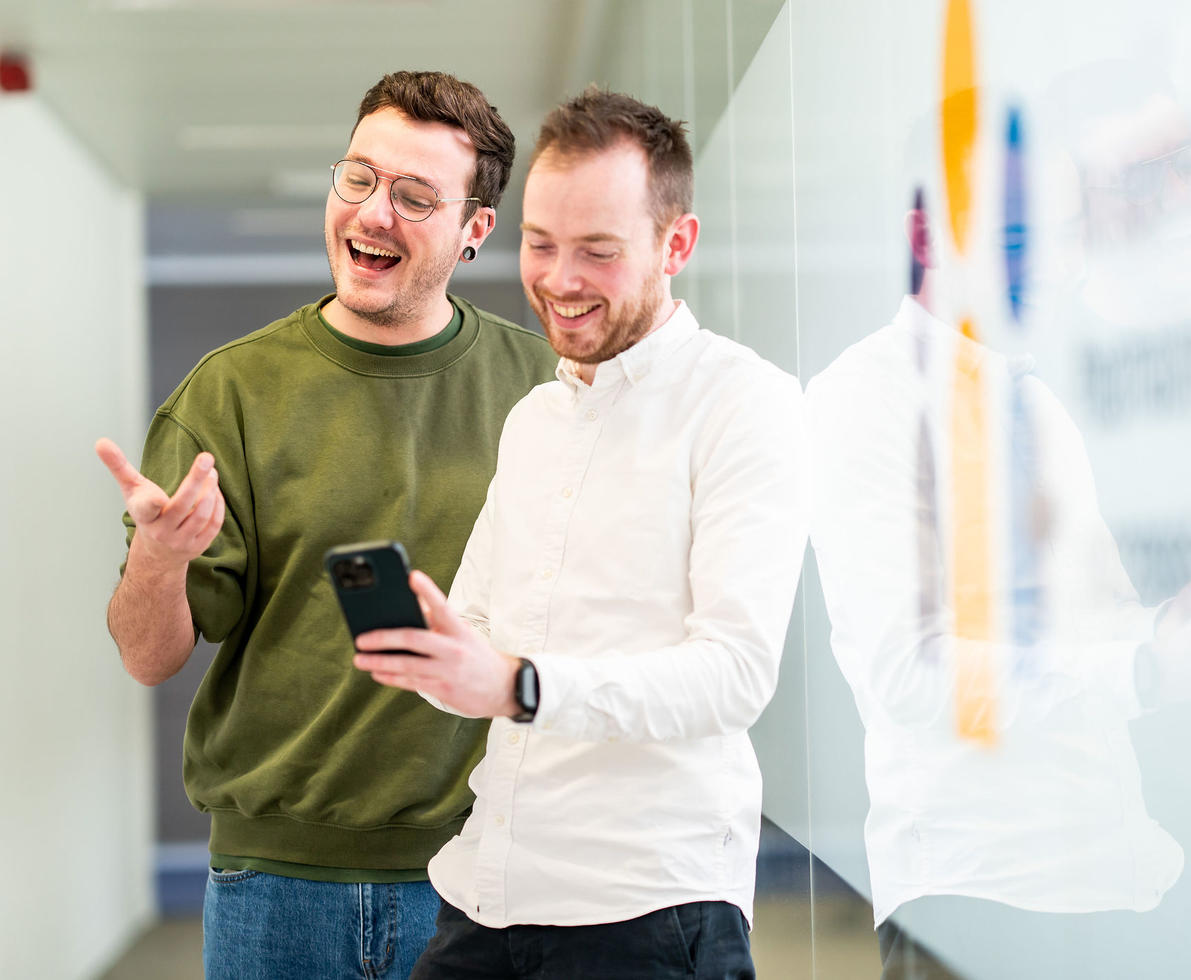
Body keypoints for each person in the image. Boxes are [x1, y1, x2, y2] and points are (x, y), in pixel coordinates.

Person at [95, 70, 558, 980]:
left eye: (416, 197)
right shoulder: (229, 392)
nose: (374, 213)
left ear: (474, 230)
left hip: (489, 873)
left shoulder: (544, 392)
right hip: (275, 888)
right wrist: (157, 558)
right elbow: (146, 657)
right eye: (359, 178)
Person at [351, 88, 808, 980]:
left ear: (676, 245)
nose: (559, 279)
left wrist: (520, 684)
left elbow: (734, 676)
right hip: (487, 895)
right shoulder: (535, 418)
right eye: (542, 243)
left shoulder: (744, 405)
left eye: (597, 252)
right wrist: (443, 656)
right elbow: (484, 649)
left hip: (649, 913)